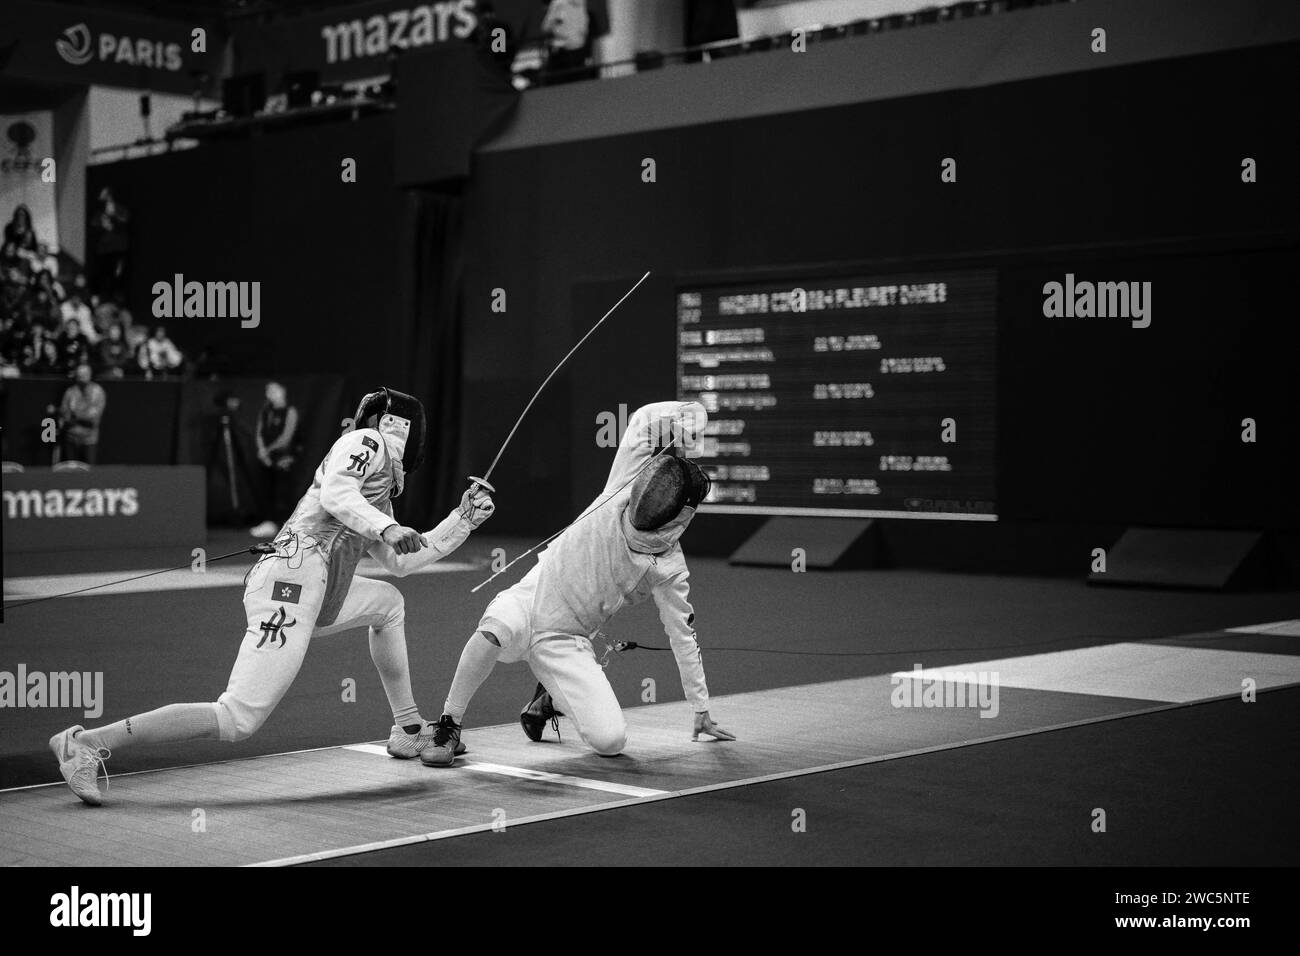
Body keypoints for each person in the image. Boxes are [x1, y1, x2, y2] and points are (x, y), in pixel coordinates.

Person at [50, 386, 496, 805]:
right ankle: (85, 744)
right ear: (400, 426)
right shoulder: (367, 442)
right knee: (238, 717)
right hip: (292, 580)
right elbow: (339, 493)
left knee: (387, 604)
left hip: (316, 588)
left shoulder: (378, 497)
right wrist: (388, 528)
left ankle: (408, 728)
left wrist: (462, 520)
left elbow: (400, 563)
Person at [420, 400, 733, 767]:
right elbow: (644, 418)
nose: (647, 502)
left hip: (566, 640)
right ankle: (449, 724)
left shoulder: (669, 567)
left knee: (611, 741)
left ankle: (551, 695)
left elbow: (683, 635)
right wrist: (691, 416)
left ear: (679, 517)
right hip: (531, 599)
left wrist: (700, 708)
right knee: (492, 631)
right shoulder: (626, 480)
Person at [250, 381, 301, 538]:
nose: (271, 394)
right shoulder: (265, 411)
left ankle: (288, 525)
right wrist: (262, 452)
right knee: (266, 490)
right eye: (268, 391)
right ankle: (269, 523)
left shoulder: (290, 411)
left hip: (284, 459)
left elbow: (286, 438)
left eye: (274, 390)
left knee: (283, 493)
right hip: (266, 460)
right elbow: (259, 432)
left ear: (283, 391)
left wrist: (267, 450)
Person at [58, 363, 107, 463]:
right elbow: (64, 413)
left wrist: (74, 415)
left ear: (90, 375)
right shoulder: (70, 392)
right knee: (69, 473)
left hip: (89, 440)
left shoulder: (97, 391)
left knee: (88, 473)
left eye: (84, 374)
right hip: (71, 438)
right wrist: (67, 416)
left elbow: (93, 417)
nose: (81, 377)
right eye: (79, 374)